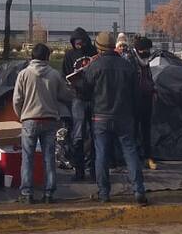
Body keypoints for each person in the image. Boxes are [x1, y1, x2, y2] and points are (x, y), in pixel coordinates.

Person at [82, 31, 147, 205]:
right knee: (130, 152)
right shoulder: (127, 66)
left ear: (99, 47)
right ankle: (139, 190)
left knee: (101, 155)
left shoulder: (94, 66)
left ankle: (104, 193)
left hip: (100, 117)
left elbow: (85, 92)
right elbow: (136, 94)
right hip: (124, 116)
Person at [13, 43, 73, 203]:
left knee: (27, 158)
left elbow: (17, 100)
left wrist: (22, 116)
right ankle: (49, 194)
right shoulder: (54, 74)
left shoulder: (23, 74)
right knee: (48, 158)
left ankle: (26, 193)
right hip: (49, 120)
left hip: (29, 120)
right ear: (47, 57)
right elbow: (65, 95)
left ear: (32, 57)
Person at [62, 27, 97, 181]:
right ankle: (79, 171)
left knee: (96, 135)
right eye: (76, 42)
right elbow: (65, 75)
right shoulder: (69, 55)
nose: (79, 45)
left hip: (94, 98)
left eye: (81, 42)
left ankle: (94, 170)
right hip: (78, 98)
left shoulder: (94, 53)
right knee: (78, 136)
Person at [132, 35, 156, 170]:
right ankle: (135, 157)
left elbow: (149, 78)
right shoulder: (131, 60)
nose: (147, 52)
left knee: (146, 129)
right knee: (134, 130)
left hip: (147, 98)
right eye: (145, 49)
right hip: (136, 100)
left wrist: (153, 90)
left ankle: (148, 156)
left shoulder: (146, 62)